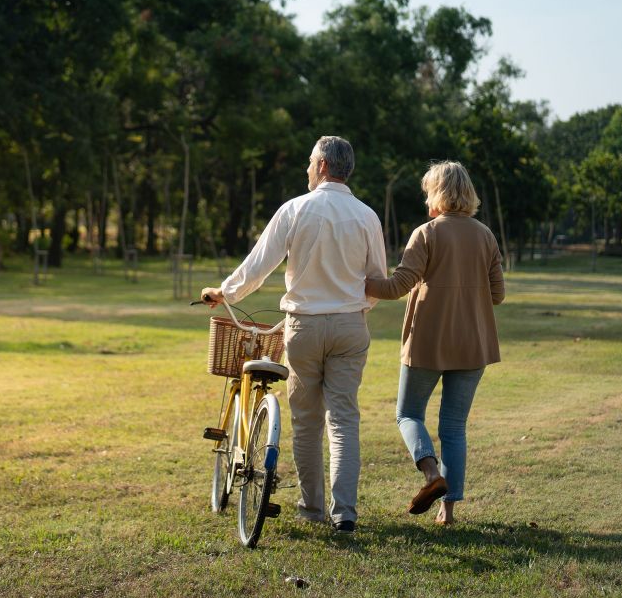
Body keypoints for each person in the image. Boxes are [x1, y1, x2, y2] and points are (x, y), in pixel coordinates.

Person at [202, 136, 387, 534]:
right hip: (350, 326)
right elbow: (376, 281)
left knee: (306, 422)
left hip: (303, 327)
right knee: (343, 419)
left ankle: (312, 507)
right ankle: (346, 513)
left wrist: (225, 292)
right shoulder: (367, 216)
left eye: (309, 163)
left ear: (322, 166)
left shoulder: (296, 209)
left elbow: (258, 265)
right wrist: (355, 308)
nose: (306, 169)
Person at [365, 160, 504, 526]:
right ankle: (448, 512)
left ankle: (431, 475)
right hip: (473, 344)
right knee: (454, 427)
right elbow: (498, 294)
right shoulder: (486, 236)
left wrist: (359, 280)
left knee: (408, 413)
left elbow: (396, 287)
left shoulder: (425, 234)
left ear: (437, 193)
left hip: (427, 342)